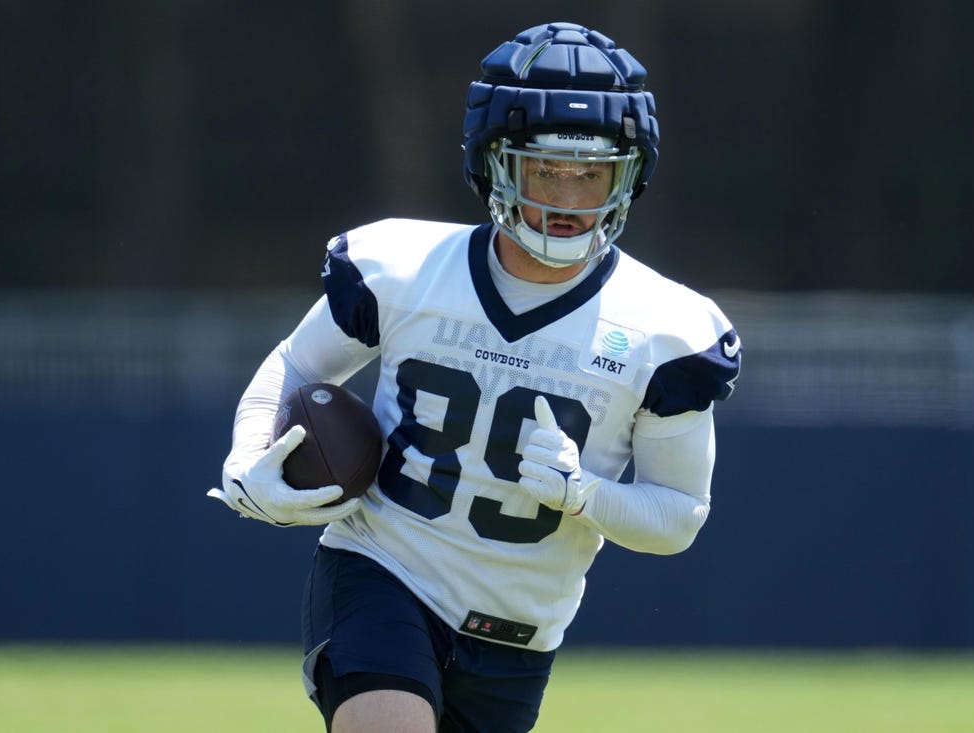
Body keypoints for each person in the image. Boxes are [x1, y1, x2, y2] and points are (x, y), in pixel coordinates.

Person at [208, 20, 741, 733]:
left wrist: (586, 496)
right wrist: (248, 458)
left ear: (628, 174)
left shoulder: (668, 328)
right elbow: (297, 362)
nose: (568, 197)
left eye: (592, 173)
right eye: (544, 168)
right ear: (493, 162)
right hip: (384, 570)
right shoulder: (402, 269)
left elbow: (678, 513)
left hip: (518, 635)